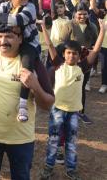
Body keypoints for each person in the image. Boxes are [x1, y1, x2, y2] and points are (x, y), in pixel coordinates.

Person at [0, 22, 54, 180]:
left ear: (20, 38)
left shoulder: (32, 63)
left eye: (9, 36)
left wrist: (35, 86)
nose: (3, 41)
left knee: (21, 176)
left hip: (20, 138)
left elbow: (48, 103)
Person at [39, 19, 105, 180]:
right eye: (68, 52)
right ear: (64, 54)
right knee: (54, 140)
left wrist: (103, 30)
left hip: (74, 112)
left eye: (75, 53)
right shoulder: (58, 65)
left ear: (79, 55)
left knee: (71, 142)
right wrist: (43, 27)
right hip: (57, 110)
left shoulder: (82, 68)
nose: (71, 55)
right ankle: (48, 167)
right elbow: (50, 46)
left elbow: (95, 51)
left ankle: (71, 169)